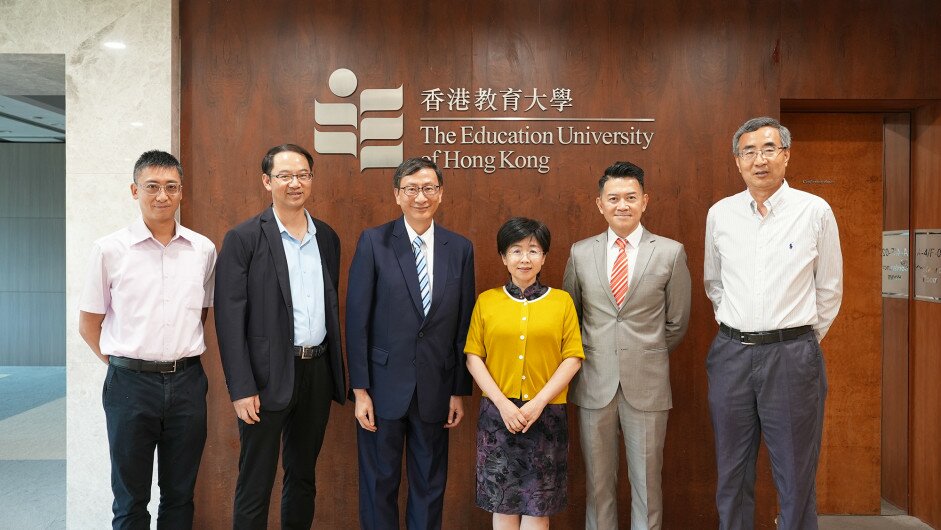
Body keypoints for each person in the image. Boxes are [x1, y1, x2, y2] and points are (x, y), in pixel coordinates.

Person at [704, 116, 843, 530]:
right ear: (737, 161)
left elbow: (830, 289)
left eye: (768, 149)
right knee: (731, 472)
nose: (759, 159)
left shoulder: (814, 211)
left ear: (786, 155)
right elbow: (715, 283)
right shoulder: (721, 214)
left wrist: (797, 339)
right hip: (731, 354)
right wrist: (741, 328)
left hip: (792, 356)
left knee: (796, 473)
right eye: (749, 151)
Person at [78, 150, 216, 529]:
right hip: (129, 385)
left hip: (188, 382)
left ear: (182, 193)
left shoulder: (203, 250)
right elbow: (89, 323)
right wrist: (126, 365)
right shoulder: (109, 249)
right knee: (130, 498)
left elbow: (200, 313)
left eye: (171, 187)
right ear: (134, 190)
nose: (162, 196)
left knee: (180, 495)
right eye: (152, 186)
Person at [214, 143, 347, 529]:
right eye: (285, 176)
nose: (295, 183)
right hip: (264, 377)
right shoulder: (243, 238)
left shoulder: (327, 238)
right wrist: (241, 387)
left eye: (303, 175)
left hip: (316, 371)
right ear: (266, 181)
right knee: (255, 481)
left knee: (303, 477)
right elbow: (229, 319)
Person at [346, 157, 476, 530]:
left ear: (441, 193)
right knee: (378, 484)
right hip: (382, 388)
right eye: (412, 189)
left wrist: (457, 391)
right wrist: (360, 391)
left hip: (436, 388)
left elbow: (462, 325)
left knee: (430, 485)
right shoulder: (374, 241)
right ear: (397, 195)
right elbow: (357, 321)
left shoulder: (460, 248)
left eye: (429, 188)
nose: (421, 197)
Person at [563, 161, 691, 530]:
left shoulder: (669, 252)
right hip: (593, 383)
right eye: (614, 198)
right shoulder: (580, 252)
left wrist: (643, 353)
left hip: (647, 384)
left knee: (647, 485)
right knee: (598, 486)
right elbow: (571, 317)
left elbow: (677, 322)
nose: (623, 205)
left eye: (631, 197)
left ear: (645, 201)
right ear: (599, 204)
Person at [465, 217, 584, 530]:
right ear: (504, 257)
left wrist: (538, 402)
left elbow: (572, 358)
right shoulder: (486, 301)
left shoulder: (562, 302)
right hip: (498, 416)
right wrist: (504, 404)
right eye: (515, 251)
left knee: (537, 506)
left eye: (533, 250)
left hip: (546, 416)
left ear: (544, 257)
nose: (524, 258)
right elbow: (474, 357)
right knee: (502, 503)